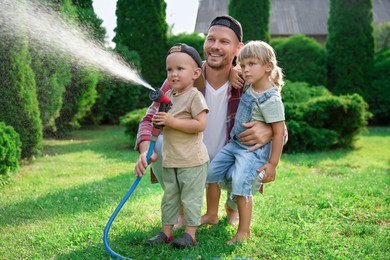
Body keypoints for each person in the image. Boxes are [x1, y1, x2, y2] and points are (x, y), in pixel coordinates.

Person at [134, 15, 275, 229]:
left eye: (224, 42)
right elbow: (149, 120)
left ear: (238, 48)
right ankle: (181, 210)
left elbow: (279, 123)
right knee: (160, 144)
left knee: (258, 153)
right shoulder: (184, 75)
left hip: (230, 157)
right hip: (191, 158)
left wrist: (268, 131)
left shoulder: (249, 81)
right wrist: (146, 150)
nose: (215, 47)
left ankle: (233, 206)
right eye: (211, 39)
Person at [205, 40, 285, 245]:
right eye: (242, 64)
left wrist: (272, 164)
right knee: (212, 172)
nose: (245, 69)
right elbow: (231, 69)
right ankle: (211, 214)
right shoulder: (250, 84)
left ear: (268, 67)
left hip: (252, 152)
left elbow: (278, 132)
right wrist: (234, 69)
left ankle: (243, 231)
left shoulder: (271, 99)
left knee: (241, 183)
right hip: (234, 144)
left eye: (251, 64)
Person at [145, 43, 209, 248]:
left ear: (195, 73)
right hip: (172, 159)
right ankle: (166, 233)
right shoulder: (169, 97)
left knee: (190, 198)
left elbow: (200, 125)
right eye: (169, 70)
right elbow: (164, 126)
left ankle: (190, 234)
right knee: (170, 196)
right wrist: (160, 124)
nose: (173, 74)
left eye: (180, 69)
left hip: (192, 161)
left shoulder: (194, 96)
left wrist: (172, 122)